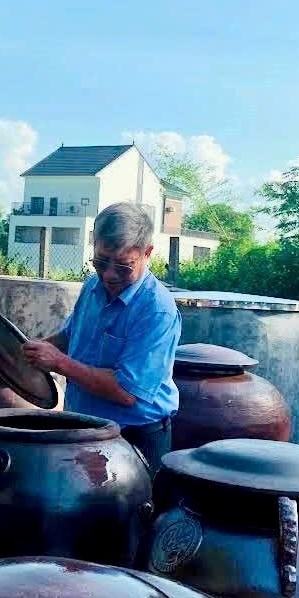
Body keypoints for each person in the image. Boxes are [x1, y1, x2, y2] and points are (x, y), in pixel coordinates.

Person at [22, 201, 180, 471]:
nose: (109, 275)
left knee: (131, 513)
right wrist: (17, 351)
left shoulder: (157, 310)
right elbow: (70, 336)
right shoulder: (92, 286)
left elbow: (128, 392)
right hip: (81, 427)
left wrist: (59, 363)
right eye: (100, 261)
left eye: (123, 266)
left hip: (135, 437)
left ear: (147, 253)